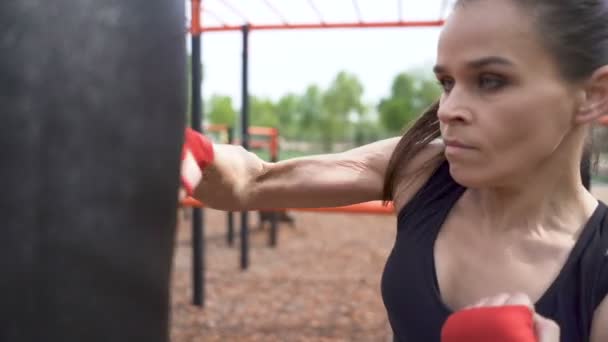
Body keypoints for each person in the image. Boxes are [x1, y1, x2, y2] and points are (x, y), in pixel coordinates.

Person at [181, 0, 608, 340]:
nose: (449, 108)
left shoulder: (597, 273)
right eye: (447, 83)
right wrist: (194, 151)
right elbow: (254, 182)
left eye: (491, 80)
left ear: (592, 95)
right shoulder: (422, 169)